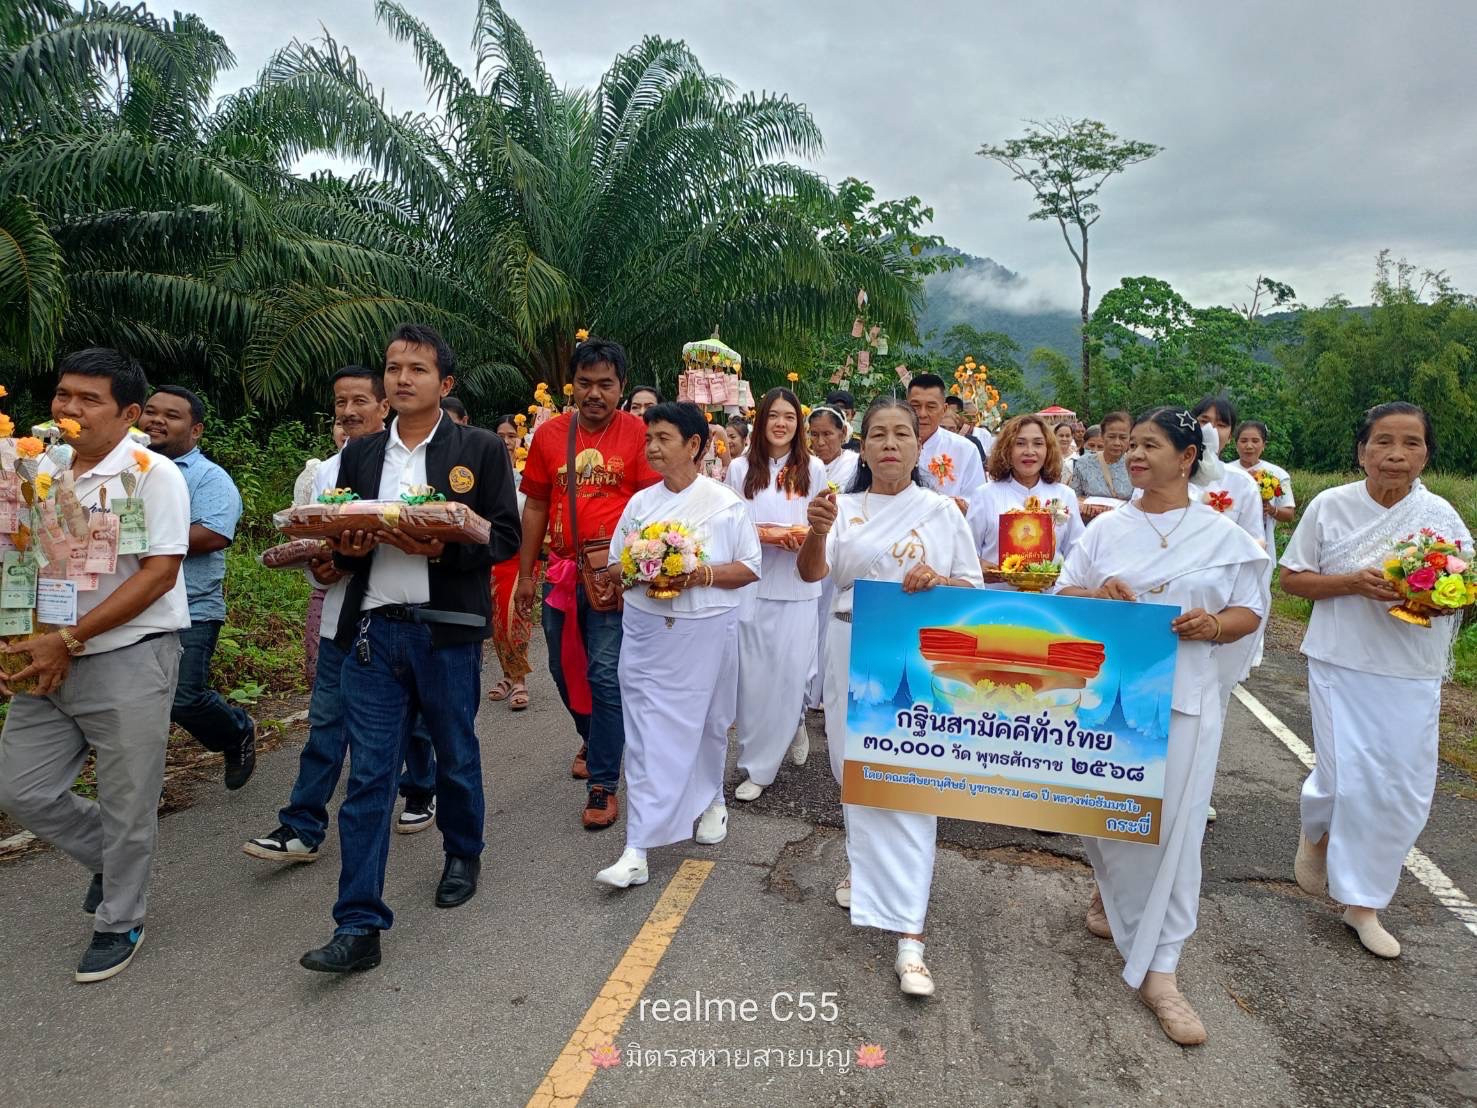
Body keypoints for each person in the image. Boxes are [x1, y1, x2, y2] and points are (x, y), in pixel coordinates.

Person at [297, 324, 520, 974]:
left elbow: (502, 537)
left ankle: (463, 848)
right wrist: (348, 547)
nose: (401, 378)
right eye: (393, 367)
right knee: (369, 777)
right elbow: (340, 528)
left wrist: (444, 542)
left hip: (445, 630)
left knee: (453, 751)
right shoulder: (362, 454)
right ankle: (358, 925)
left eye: (416, 369)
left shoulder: (476, 449)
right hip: (373, 631)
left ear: (443, 383)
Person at [1056, 406, 1267, 1045]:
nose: (1135, 455)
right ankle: (1113, 895)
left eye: (1151, 445)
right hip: (1107, 700)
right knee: (1106, 818)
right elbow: (1063, 596)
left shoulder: (1222, 534)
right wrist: (1100, 595)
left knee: (1172, 827)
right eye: (1132, 445)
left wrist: (1212, 625)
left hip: (1185, 698)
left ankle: (1161, 968)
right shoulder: (1106, 529)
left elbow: (1250, 612)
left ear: (1187, 456)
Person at [0, 348, 191, 982]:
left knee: (128, 799)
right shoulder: (36, 465)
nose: (69, 409)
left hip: (128, 657)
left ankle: (120, 920)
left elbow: (161, 574)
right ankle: (110, 861)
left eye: (89, 400)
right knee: (20, 788)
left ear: (129, 413)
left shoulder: (152, 474)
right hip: (46, 654)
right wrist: (26, 634)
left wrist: (72, 639)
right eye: (63, 395)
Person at [798, 397, 984, 996]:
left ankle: (910, 936)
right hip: (849, 644)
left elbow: (970, 588)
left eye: (902, 434)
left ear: (918, 444)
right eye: (878, 434)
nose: (890, 445)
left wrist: (939, 582)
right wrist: (816, 533)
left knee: (908, 782)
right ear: (863, 444)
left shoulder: (941, 511)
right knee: (852, 770)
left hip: (916, 656)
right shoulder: (841, 508)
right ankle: (863, 864)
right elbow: (811, 576)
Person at [1281, 403, 1469, 960]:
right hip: (1342, 661)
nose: (1396, 454)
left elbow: (1466, 585)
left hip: (1413, 669)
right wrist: (1349, 583)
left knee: (1403, 790)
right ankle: (1321, 835)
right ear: (1362, 450)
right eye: (1383, 442)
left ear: (1426, 453)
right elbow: (1292, 581)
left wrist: (1439, 599)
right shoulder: (1331, 506)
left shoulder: (1441, 515)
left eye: (1411, 443)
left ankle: (1364, 902)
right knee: (1347, 782)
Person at [244, 366, 442, 863]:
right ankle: (302, 825)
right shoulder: (325, 473)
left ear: (384, 407)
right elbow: (311, 543)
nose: (348, 413)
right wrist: (322, 569)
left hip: (404, 617)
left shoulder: (416, 469)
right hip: (343, 621)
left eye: (359, 402)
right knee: (327, 723)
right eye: (339, 404)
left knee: (415, 720)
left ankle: (420, 786)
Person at [594, 403, 762, 888]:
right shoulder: (640, 504)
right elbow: (613, 566)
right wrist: (646, 568)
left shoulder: (726, 504)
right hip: (646, 632)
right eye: (649, 438)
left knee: (708, 720)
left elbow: (749, 567)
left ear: (694, 445)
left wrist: (697, 574)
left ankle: (712, 799)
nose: (651, 447)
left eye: (663, 437)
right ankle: (637, 847)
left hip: (706, 630)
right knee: (646, 731)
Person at [516, 338, 660, 828]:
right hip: (559, 572)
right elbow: (535, 504)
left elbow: (652, 508)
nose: (594, 393)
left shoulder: (640, 434)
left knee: (603, 674)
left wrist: (637, 569)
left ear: (621, 386)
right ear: (571, 385)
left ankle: (603, 783)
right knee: (560, 669)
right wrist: (525, 573)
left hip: (613, 577)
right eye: (585, 383)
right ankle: (596, 735)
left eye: (606, 384)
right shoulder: (550, 435)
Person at [140, 386, 256, 790]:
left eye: (171, 415)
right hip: (132, 606)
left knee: (183, 698)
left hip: (192, 607)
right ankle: (138, 792)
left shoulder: (209, 478)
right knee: (137, 707)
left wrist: (134, 540)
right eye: (151, 412)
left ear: (196, 429)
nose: (157, 420)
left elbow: (211, 534)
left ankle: (237, 729)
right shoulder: (126, 471)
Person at [724, 387, 828, 801]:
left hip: (798, 587)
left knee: (790, 675)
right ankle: (755, 760)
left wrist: (800, 537)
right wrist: (761, 536)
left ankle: (778, 746)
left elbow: (819, 525)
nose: (781, 423)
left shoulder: (814, 468)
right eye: (774, 416)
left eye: (789, 416)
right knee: (752, 681)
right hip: (752, 584)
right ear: (760, 422)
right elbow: (731, 524)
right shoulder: (738, 468)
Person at [977, 414, 1084, 572]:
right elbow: (968, 551)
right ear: (1007, 449)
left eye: (1038, 444)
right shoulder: (985, 494)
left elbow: (1077, 551)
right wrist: (979, 566)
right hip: (997, 592)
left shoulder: (1065, 495)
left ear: (1048, 449)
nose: (1029, 451)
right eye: (1020, 444)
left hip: (1051, 593)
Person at [804, 407, 859, 711]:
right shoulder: (807, 466)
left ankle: (826, 692)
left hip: (839, 550)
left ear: (842, 434)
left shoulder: (852, 466)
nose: (821, 441)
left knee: (830, 618)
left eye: (828, 434)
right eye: (815, 434)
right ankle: (806, 690)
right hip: (810, 546)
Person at [1232, 420, 1295, 668]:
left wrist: (1271, 509)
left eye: (1255, 441)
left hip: (1262, 544)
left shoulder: (1276, 475)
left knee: (1259, 594)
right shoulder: (1226, 472)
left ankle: (1253, 649)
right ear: (1235, 443)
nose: (1249, 446)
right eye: (1243, 440)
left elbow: (1289, 513)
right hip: (1230, 543)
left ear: (1264, 445)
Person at [907, 373, 989, 545]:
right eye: (915, 406)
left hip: (945, 538)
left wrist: (946, 505)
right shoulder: (892, 444)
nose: (922, 414)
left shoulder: (965, 449)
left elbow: (977, 502)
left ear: (944, 410)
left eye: (930, 407)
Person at [487, 413, 534, 711]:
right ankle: (507, 674)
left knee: (514, 614)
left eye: (511, 436)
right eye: (501, 436)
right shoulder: (485, 471)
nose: (505, 441)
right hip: (491, 554)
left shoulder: (528, 473)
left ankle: (520, 681)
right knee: (495, 619)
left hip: (521, 554)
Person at [1069, 410, 1132, 520]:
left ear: (1130, 438)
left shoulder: (1136, 465)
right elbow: (1072, 497)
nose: (1117, 443)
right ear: (1102, 436)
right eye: (1111, 437)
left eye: (1123, 438)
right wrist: (1083, 504)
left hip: (1124, 526)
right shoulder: (1084, 463)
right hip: (1090, 525)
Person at [945, 394, 987, 465]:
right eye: (945, 412)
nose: (950, 416)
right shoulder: (931, 438)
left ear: (961, 415)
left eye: (954, 413)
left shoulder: (973, 442)